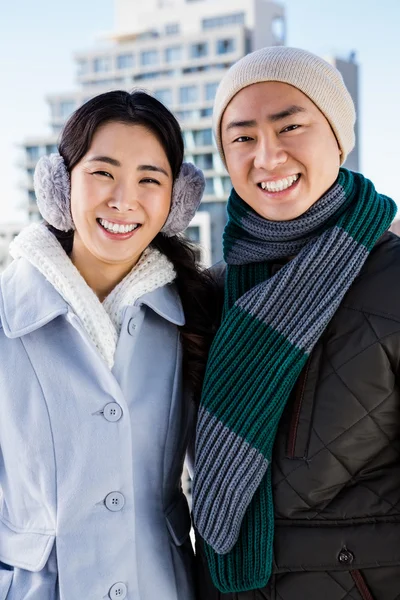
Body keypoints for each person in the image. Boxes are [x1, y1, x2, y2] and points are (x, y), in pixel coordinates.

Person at [192, 46, 400, 600]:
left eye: (291, 126)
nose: (267, 156)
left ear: (337, 136)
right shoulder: (208, 295)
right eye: (241, 137)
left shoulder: (393, 277)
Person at [0, 89, 215, 600]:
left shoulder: (197, 314)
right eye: (103, 172)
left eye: (149, 179)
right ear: (60, 184)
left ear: (176, 200)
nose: (124, 199)